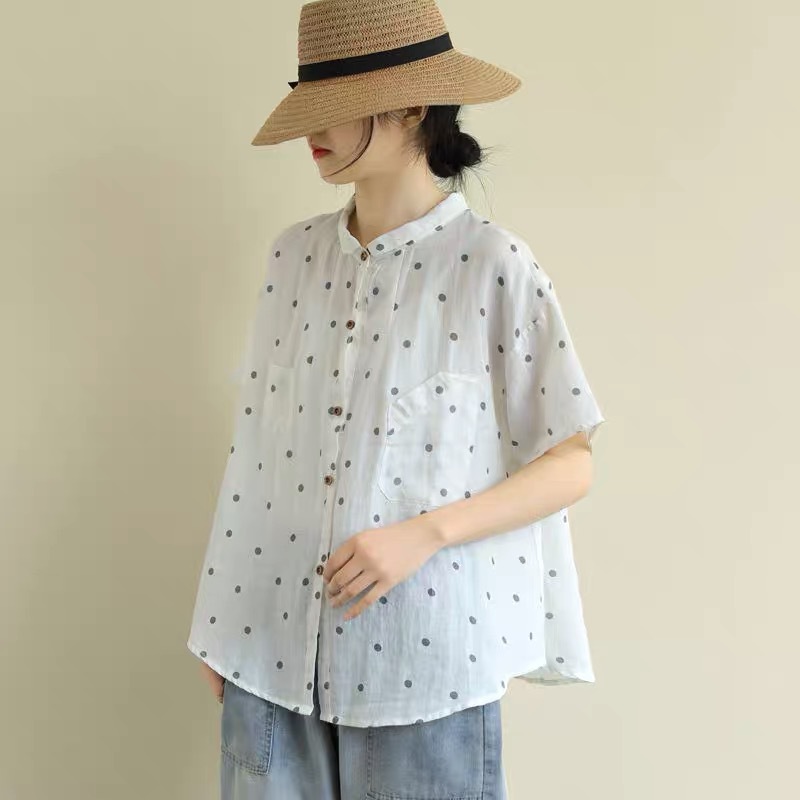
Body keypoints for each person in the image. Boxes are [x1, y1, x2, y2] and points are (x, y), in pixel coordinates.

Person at [187, 1, 606, 798]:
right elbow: (259, 455)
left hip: (426, 667)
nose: (313, 130)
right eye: (308, 101)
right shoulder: (292, 259)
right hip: (267, 651)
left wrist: (423, 533)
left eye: (337, 104)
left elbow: (570, 463)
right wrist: (218, 620)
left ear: (413, 107)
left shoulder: (492, 265)